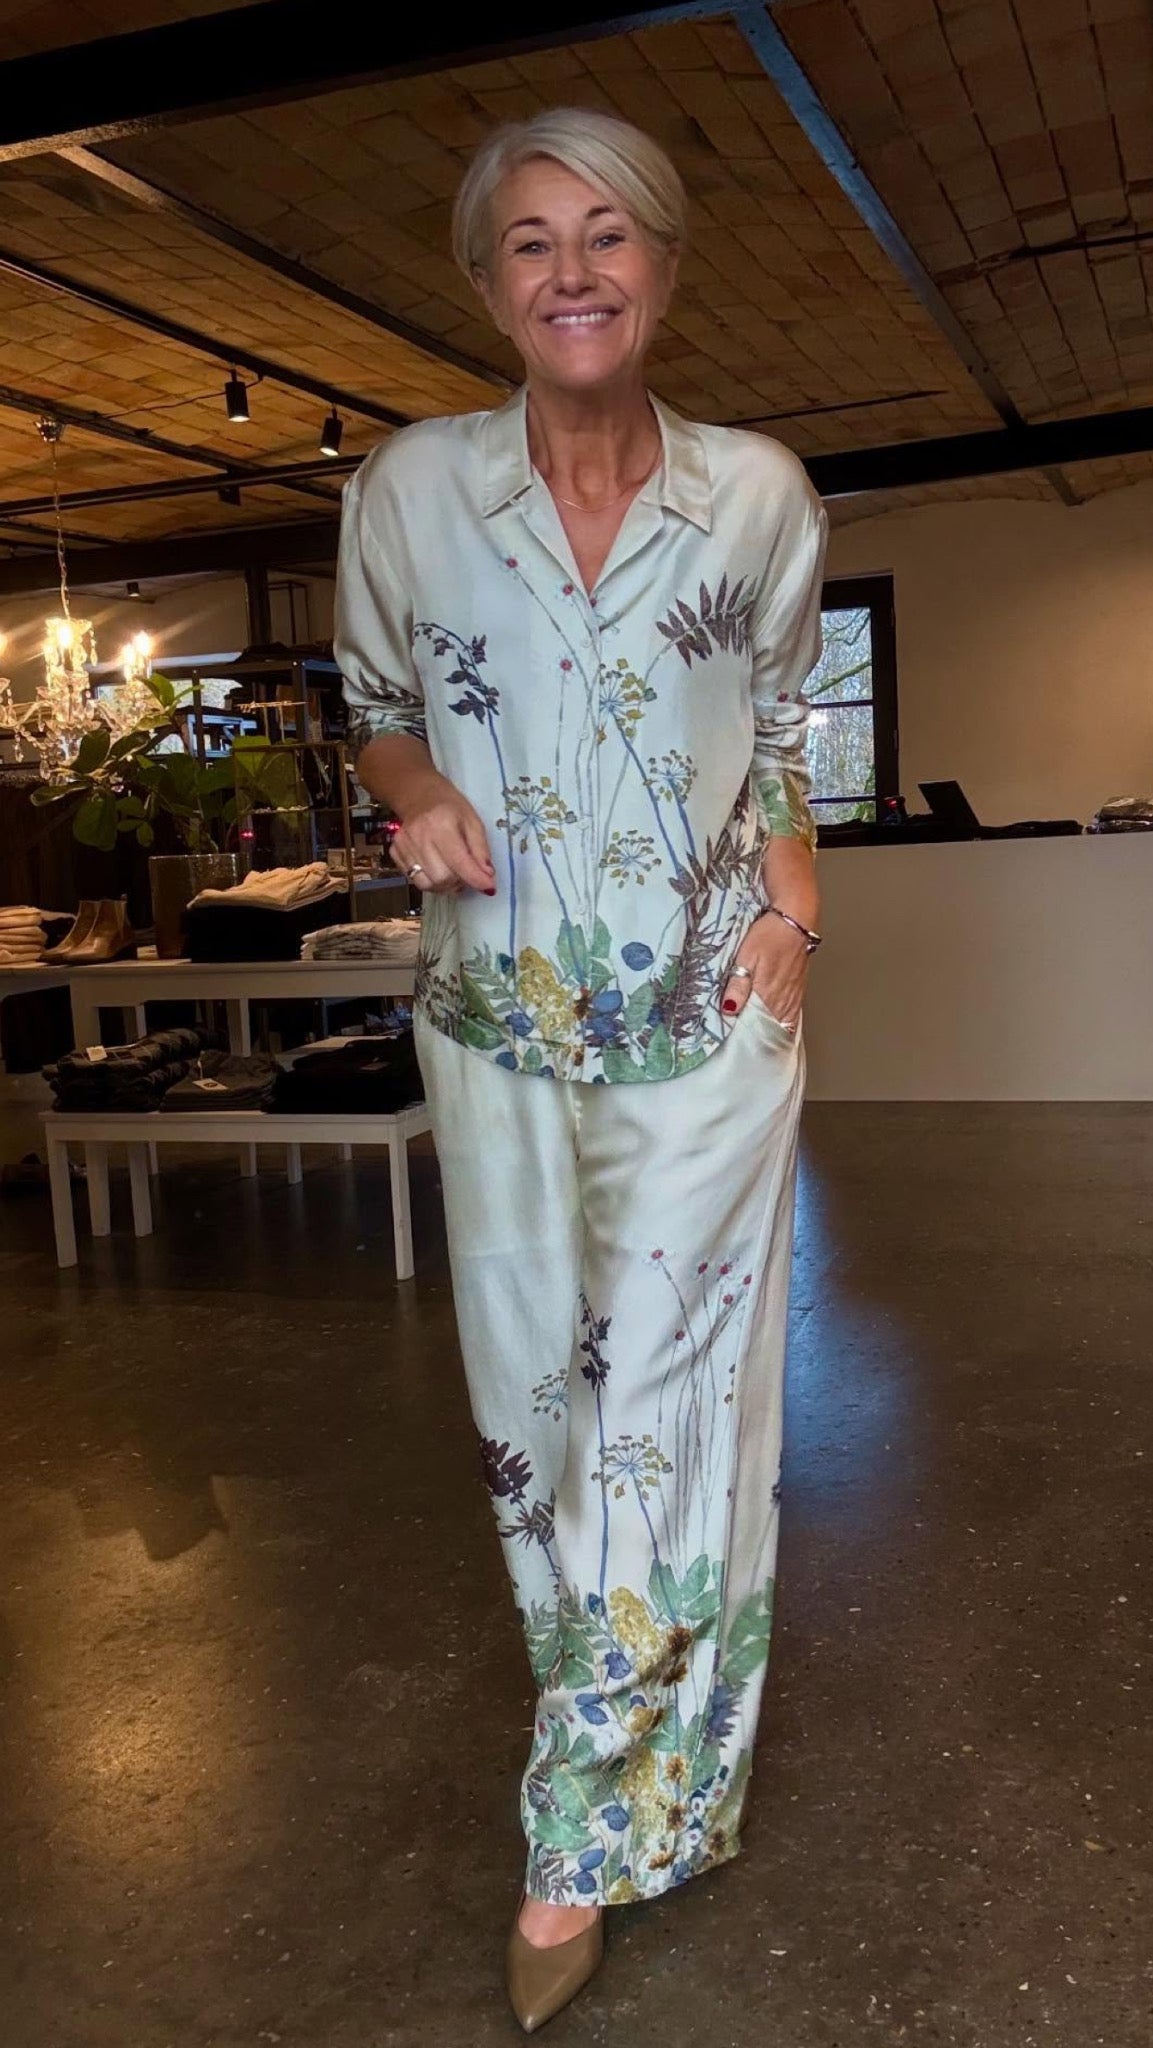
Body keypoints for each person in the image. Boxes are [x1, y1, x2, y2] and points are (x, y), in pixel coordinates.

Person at [335, 106, 828, 2034]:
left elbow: (781, 725)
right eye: (531, 239)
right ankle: (653, 1770)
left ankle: (575, 1839)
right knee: (538, 1411)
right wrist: (413, 794)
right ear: (487, 283)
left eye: (607, 233)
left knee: (660, 1409)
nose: (572, 269)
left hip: (708, 1018)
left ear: (665, 267)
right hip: (494, 1020)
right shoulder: (412, 489)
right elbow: (378, 710)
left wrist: (796, 915)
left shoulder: (758, 494)